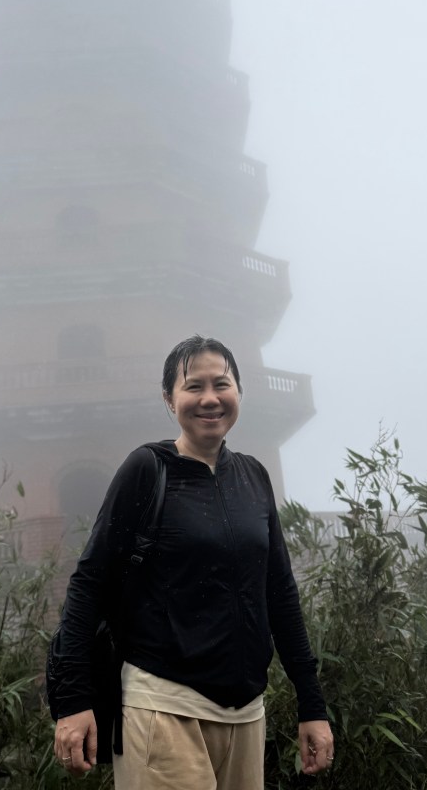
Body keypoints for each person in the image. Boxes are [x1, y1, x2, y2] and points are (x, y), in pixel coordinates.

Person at [52, 335, 334, 788]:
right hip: (163, 705)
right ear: (169, 399)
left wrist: (312, 705)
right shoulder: (148, 469)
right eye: (193, 386)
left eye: (221, 384)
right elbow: (89, 583)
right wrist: (73, 700)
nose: (209, 398)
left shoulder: (253, 476)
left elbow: (279, 591)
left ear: (239, 391)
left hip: (245, 713)